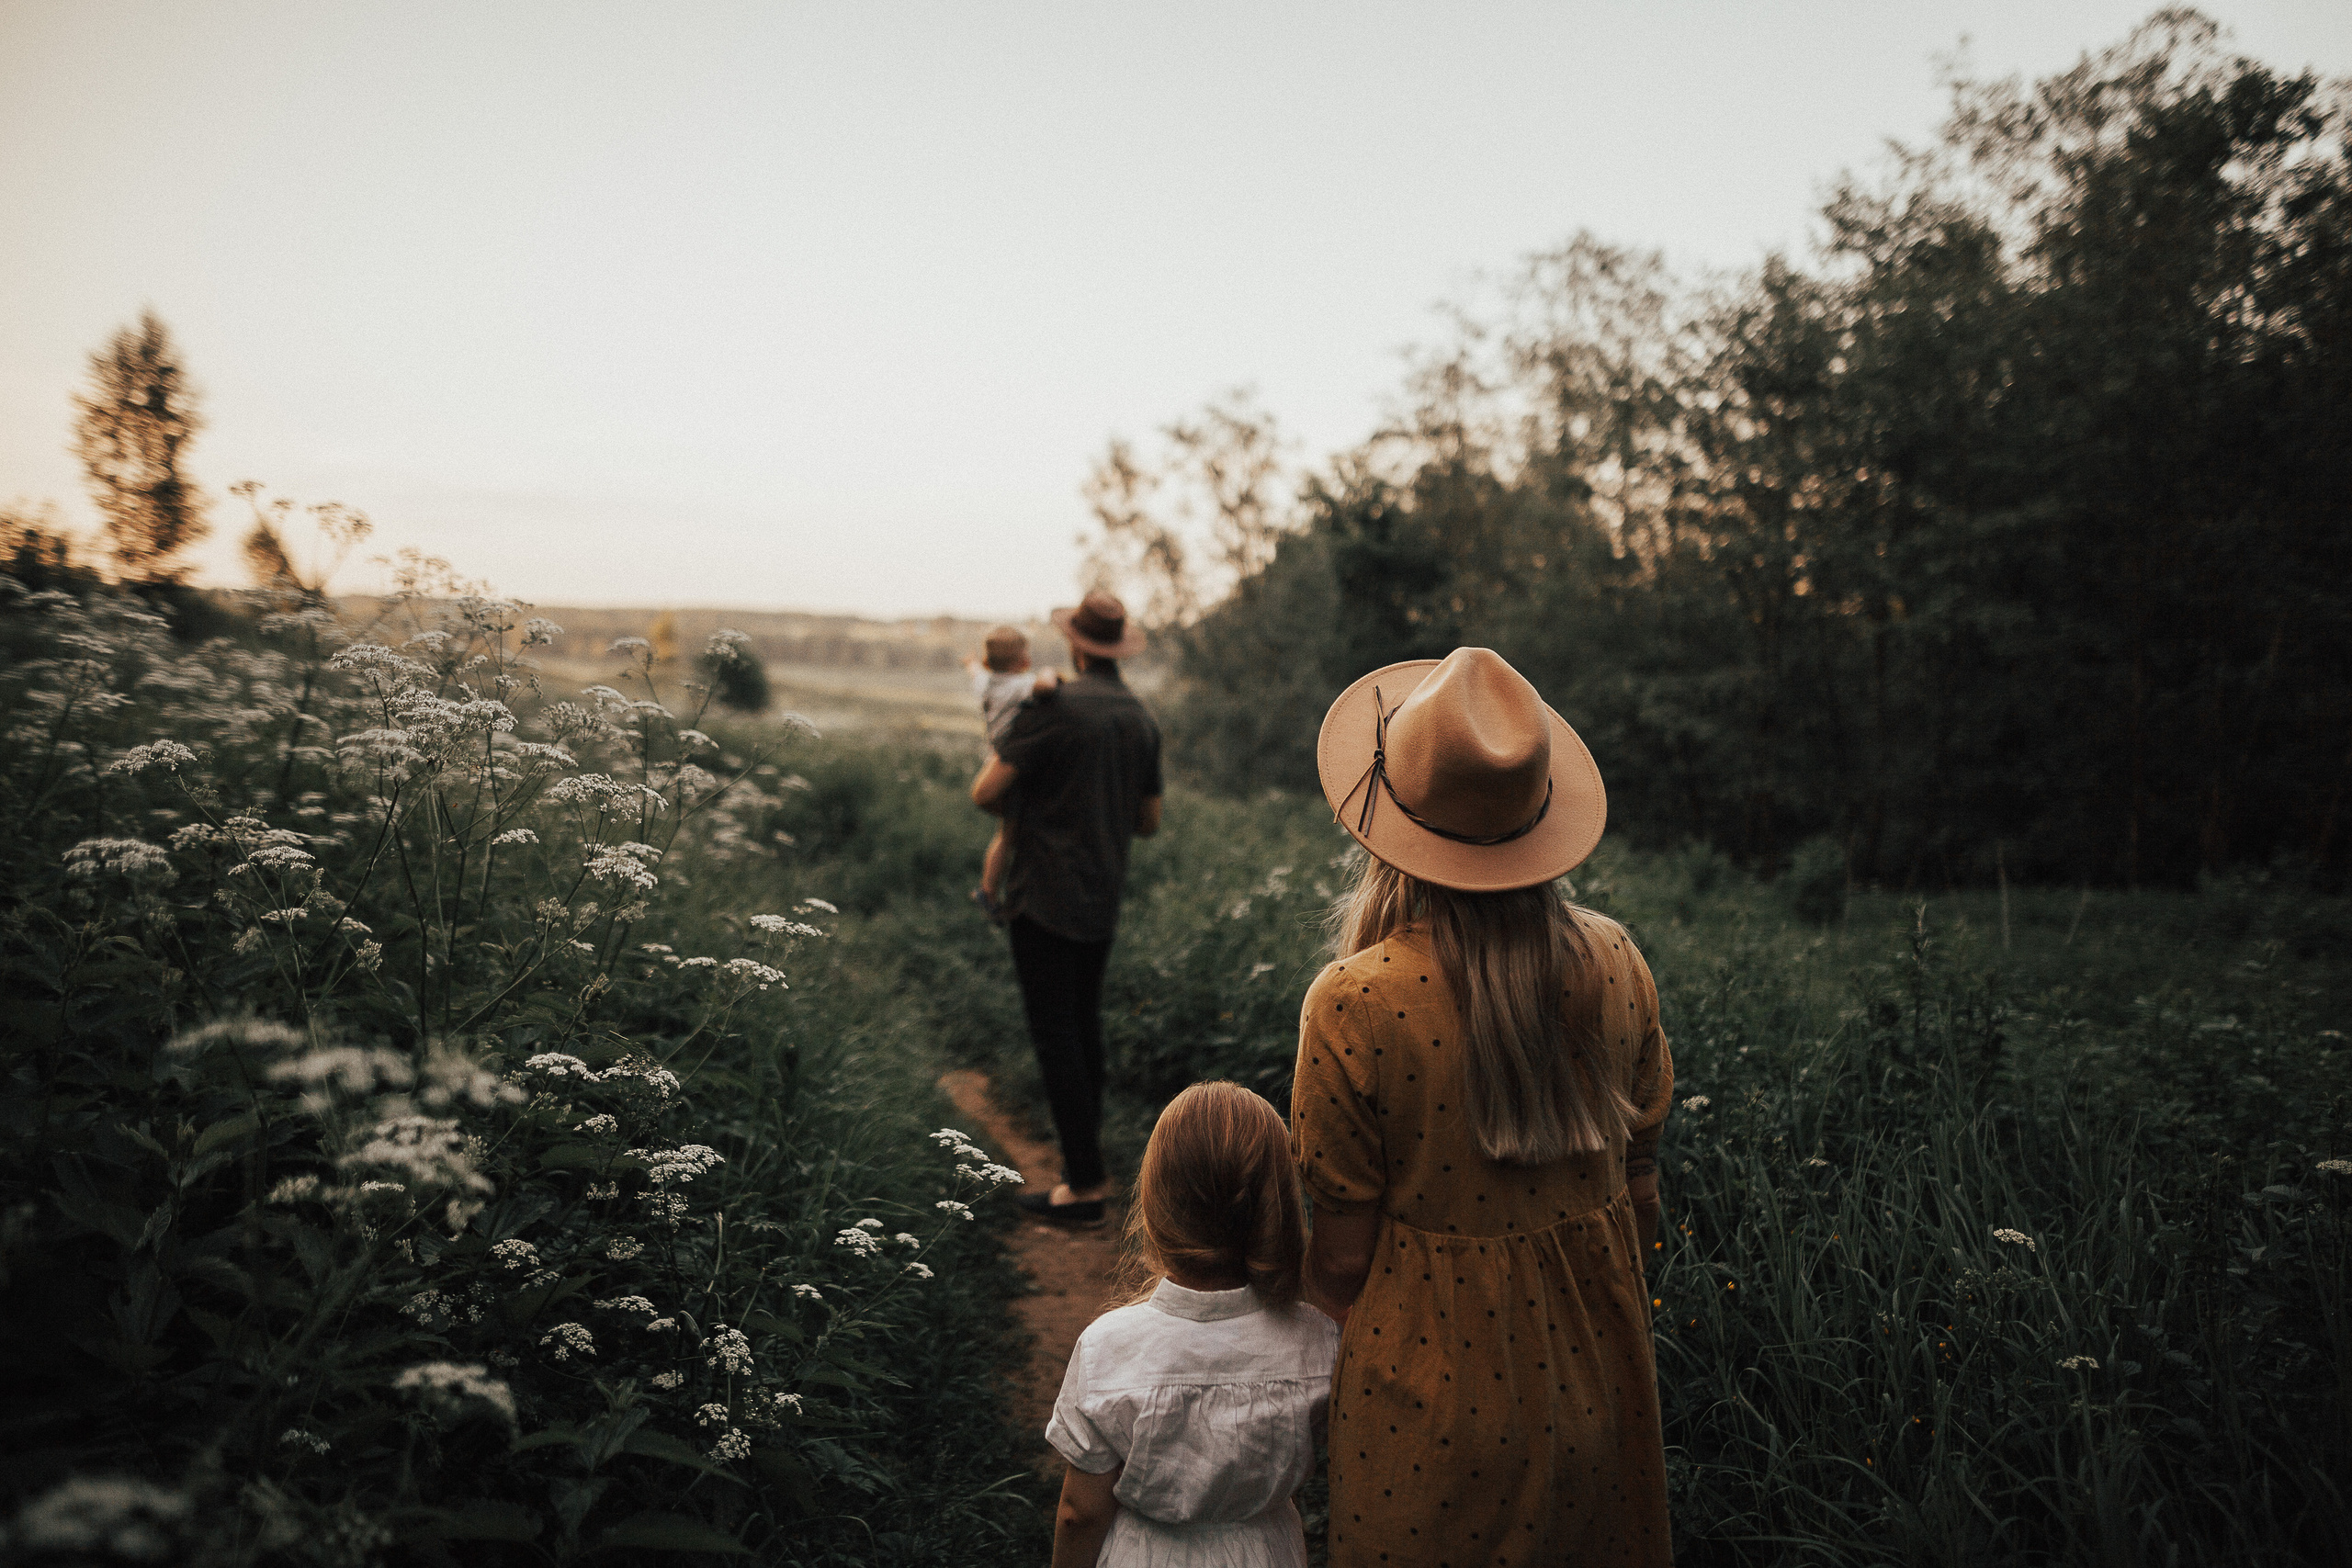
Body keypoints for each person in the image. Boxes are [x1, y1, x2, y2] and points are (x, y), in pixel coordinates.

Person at [1289, 647, 1676, 1567]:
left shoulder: (1354, 1000)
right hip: (1599, 1380)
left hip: (1427, 1403)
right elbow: (1643, 1200)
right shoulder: (1615, 959)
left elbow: (1341, 1263)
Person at [1046, 1082, 1340, 1568]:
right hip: (1268, 1552)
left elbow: (1080, 1512)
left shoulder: (1109, 1347)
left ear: (1158, 1203)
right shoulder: (1318, 1341)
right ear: (1278, 1204)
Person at [969, 590, 1162, 1224]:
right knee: (1084, 1029)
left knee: (1057, 1039)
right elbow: (1148, 821)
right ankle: (1090, 1167)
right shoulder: (1141, 719)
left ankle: (1083, 1186)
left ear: (1077, 645)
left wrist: (1036, 804)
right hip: (1101, 894)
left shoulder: (1052, 708)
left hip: (1044, 895)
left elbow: (984, 791)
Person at [964, 624, 1058, 920]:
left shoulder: (986, 682)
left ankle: (989, 887)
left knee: (1009, 830)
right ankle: (988, 890)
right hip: (1012, 767)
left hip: (995, 757)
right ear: (1024, 661)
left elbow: (975, 672)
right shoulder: (1021, 685)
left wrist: (971, 663)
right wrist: (1050, 673)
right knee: (1008, 834)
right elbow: (1046, 687)